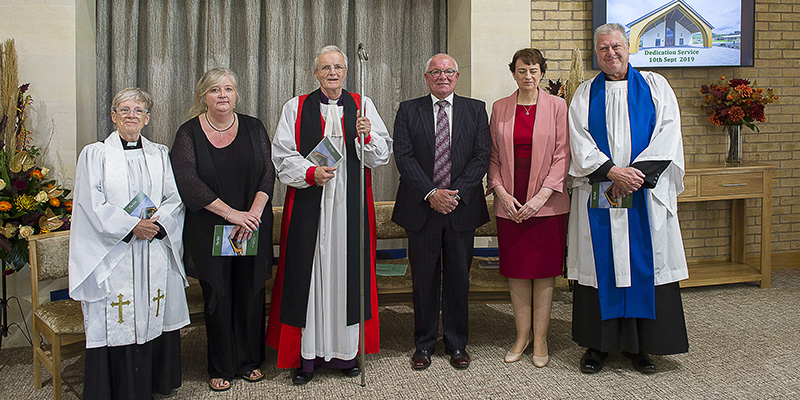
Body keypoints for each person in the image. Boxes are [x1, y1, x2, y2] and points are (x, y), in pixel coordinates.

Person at [266, 45, 392, 385]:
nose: (332, 72)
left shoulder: (363, 105)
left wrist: (367, 137)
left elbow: (381, 155)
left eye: (337, 67)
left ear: (346, 72)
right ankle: (305, 357)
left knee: (347, 275)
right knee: (309, 275)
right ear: (316, 73)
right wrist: (310, 173)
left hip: (350, 206)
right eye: (325, 67)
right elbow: (282, 156)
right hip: (311, 204)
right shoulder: (295, 107)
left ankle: (346, 353)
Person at [567, 23, 689, 375]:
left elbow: (668, 132)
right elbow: (579, 140)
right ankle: (598, 346)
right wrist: (611, 173)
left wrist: (634, 175)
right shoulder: (585, 93)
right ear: (596, 53)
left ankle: (643, 348)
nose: (611, 53)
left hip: (644, 193)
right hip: (601, 191)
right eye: (603, 48)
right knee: (600, 264)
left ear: (629, 47)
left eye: (616, 46)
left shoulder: (655, 86)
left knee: (643, 263)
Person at [69, 87, 189, 400]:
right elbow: (90, 203)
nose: (131, 116)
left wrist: (156, 224)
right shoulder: (95, 154)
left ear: (147, 118)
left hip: (152, 250)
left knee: (153, 311)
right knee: (118, 312)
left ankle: (152, 384)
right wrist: (131, 225)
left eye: (138, 110)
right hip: (115, 251)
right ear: (113, 116)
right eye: (124, 110)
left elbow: (172, 198)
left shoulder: (159, 153)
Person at [171, 68, 275, 391]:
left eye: (228, 89)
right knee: (218, 295)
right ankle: (221, 366)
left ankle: (249, 361)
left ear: (236, 94)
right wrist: (232, 215)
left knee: (251, 292)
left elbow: (268, 173)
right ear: (203, 96)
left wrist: (254, 213)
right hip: (212, 227)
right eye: (215, 90)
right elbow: (189, 184)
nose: (223, 96)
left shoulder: (254, 127)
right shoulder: (188, 133)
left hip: (251, 225)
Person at [392, 53, 491, 370]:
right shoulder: (409, 110)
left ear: (457, 76)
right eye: (436, 72)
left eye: (448, 71)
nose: (442, 76)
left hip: (461, 209)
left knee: (459, 279)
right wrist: (432, 193)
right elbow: (403, 157)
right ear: (426, 77)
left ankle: (457, 343)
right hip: (422, 209)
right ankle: (423, 345)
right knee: (424, 280)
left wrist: (454, 195)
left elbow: (481, 156)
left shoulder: (476, 110)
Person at [486, 48, 570, 367]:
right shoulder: (500, 108)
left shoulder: (558, 106)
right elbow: (492, 157)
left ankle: (541, 339)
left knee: (543, 273)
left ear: (542, 73)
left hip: (547, 205)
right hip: (511, 204)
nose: (528, 76)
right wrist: (503, 195)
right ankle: (521, 336)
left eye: (534, 70)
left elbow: (563, 156)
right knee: (517, 273)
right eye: (522, 71)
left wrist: (539, 199)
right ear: (513, 73)